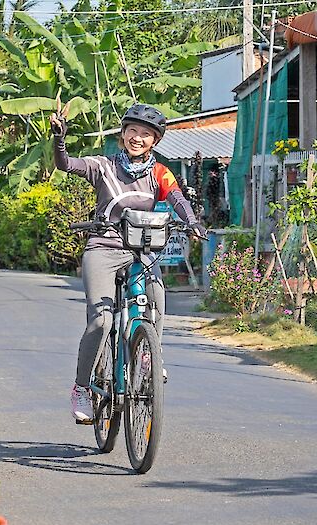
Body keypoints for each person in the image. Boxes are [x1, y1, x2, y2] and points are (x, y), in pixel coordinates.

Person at [51, 101, 204, 424]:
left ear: (155, 141)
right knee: (102, 321)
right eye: (132, 131)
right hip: (103, 249)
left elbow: (178, 200)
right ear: (122, 135)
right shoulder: (103, 166)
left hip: (140, 251)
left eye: (146, 134)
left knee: (156, 298)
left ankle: (148, 355)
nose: (137, 138)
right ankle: (82, 388)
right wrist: (59, 140)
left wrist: (192, 222)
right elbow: (65, 165)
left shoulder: (160, 173)